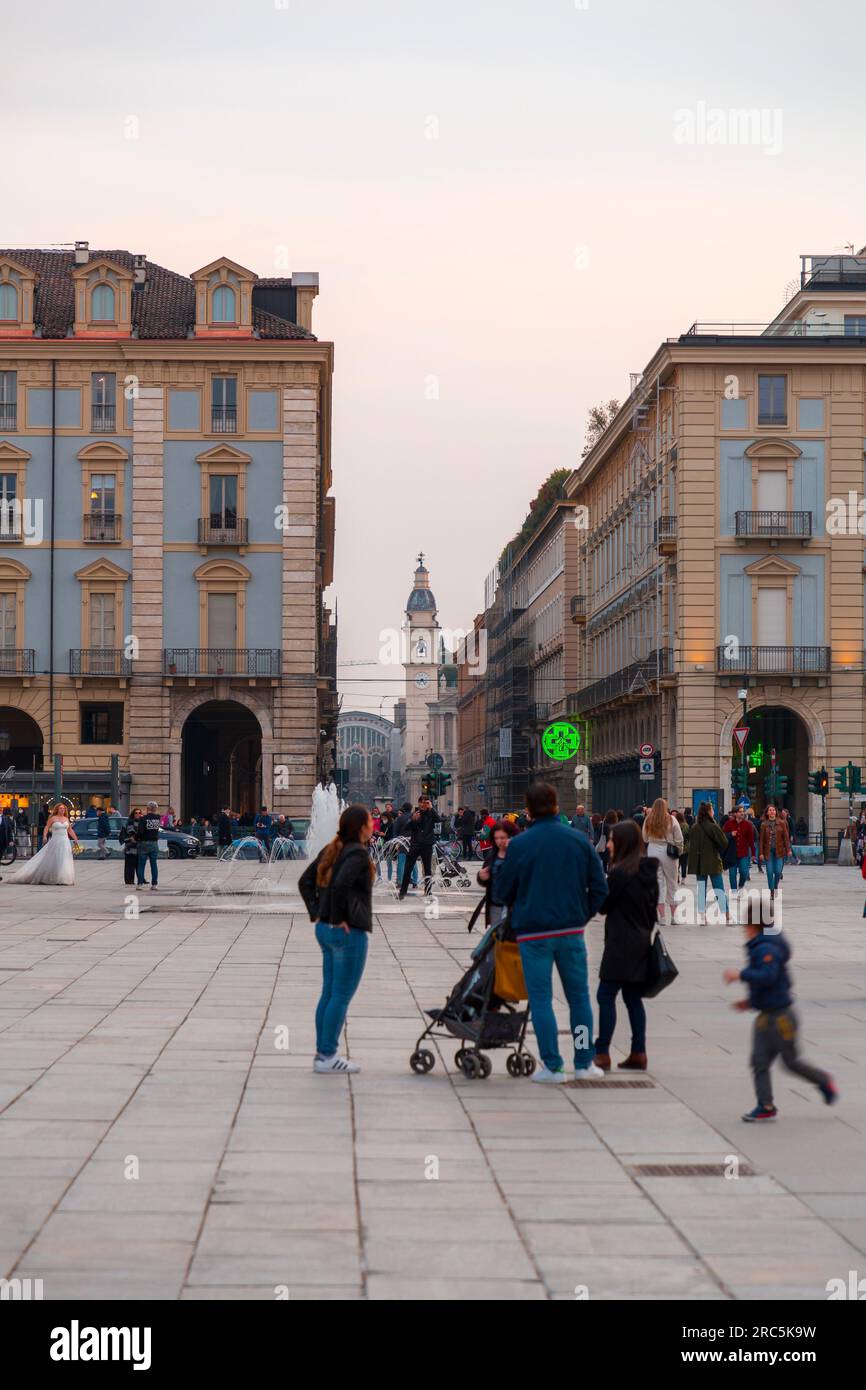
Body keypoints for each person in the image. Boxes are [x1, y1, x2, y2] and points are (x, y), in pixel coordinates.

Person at [495, 781, 608, 1083]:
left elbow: (502, 889)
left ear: (528, 811)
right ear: (557, 807)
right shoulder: (577, 840)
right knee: (579, 999)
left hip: (533, 934)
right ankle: (584, 1062)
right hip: (571, 931)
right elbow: (600, 888)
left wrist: (521, 907)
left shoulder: (519, 845)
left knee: (541, 1000)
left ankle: (553, 1065)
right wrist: (582, 915)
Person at [723, 897, 837, 1122]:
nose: (743, 930)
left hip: (780, 1017)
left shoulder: (766, 947)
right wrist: (750, 1002)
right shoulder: (764, 944)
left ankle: (823, 1080)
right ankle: (765, 1105)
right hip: (768, 1014)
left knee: (790, 1061)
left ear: (753, 925)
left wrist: (740, 975)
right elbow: (769, 982)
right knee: (759, 1061)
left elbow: (769, 976)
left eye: (745, 925)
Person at [298, 804, 375, 1075]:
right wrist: (339, 916)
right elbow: (341, 884)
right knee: (340, 995)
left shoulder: (333, 848)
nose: (373, 823)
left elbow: (304, 882)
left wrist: (318, 914)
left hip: (325, 930)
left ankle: (323, 1054)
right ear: (362, 826)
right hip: (347, 932)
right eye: (370, 820)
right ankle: (328, 1055)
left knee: (330, 993)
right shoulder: (356, 853)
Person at [594, 819, 659, 1072]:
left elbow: (604, 906)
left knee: (605, 995)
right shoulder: (647, 872)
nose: (608, 844)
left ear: (622, 843)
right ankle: (638, 1052)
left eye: (611, 839)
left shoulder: (620, 873)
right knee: (633, 998)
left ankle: (601, 1052)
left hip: (620, 943)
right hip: (641, 941)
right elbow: (653, 911)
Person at [6, 802, 78, 885]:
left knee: (64, 859)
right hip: (55, 841)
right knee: (54, 858)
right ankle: (50, 876)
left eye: (63, 808)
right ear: (57, 809)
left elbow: (70, 830)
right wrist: (44, 836)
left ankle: (63, 878)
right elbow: (46, 827)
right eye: (60, 808)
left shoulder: (66, 819)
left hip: (65, 841)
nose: (62, 810)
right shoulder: (53, 818)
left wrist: (75, 839)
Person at [642, 797, 683, 926]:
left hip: (653, 849)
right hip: (668, 851)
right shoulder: (672, 819)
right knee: (672, 883)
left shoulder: (649, 819)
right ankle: (673, 917)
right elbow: (679, 838)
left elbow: (644, 837)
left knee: (658, 884)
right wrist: (679, 851)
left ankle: (662, 917)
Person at [687, 801, 729, 924]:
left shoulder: (694, 827)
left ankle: (702, 917)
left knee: (701, 890)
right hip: (712, 862)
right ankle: (727, 914)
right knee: (719, 889)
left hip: (699, 863)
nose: (714, 812)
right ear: (709, 812)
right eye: (712, 810)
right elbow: (724, 842)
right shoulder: (713, 826)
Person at [477, 819, 518, 926]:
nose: (499, 841)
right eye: (496, 838)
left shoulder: (519, 854)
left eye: (502, 838)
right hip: (495, 904)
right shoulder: (492, 854)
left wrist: (513, 850)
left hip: (514, 906)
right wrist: (481, 877)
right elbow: (487, 879)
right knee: (497, 936)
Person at [398, 796, 436, 899]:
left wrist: (431, 808)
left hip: (427, 845)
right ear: (418, 803)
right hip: (415, 844)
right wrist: (413, 820)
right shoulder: (415, 814)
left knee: (427, 869)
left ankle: (428, 891)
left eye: (426, 802)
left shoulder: (431, 813)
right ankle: (402, 892)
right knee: (408, 868)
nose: (423, 804)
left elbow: (439, 820)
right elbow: (406, 827)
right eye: (422, 802)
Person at [721, 806, 757, 899]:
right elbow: (722, 836)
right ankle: (734, 892)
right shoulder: (728, 824)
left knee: (744, 872)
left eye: (743, 811)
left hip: (744, 854)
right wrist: (730, 834)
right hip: (732, 854)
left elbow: (751, 840)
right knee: (732, 874)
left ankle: (740, 886)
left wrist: (753, 853)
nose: (742, 813)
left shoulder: (748, 824)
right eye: (740, 812)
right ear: (735, 813)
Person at [759, 805, 790, 897]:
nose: (772, 812)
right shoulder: (764, 824)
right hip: (768, 851)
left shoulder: (782, 823)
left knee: (777, 871)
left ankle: (775, 885)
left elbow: (786, 838)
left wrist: (788, 849)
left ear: (776, 812)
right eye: (770, 810)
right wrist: (760, 853)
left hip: (779, 851)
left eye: (773, 810)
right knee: (769, 871)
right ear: (767, 813)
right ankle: (771, 890)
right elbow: (761, 840)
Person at [136, 801, 162, 890]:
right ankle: (154, 884)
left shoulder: (143, 819)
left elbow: (140, 832)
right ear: (155, 808)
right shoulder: (158, 818)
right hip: (154, 843)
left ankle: (140, 884)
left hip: (144, 843)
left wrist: (136, 838)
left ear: (147, 808)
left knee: (141, 864)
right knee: (153, 864)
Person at [120, 807, 141, 885]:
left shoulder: (141, 822)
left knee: (139, 864)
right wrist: (131, 839)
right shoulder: (129, 822)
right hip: (130, 847)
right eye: (136, 813)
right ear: (133, 814)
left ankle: (141, 879)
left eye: (139, 813)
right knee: (130, 865)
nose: (138, 814)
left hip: (139, 847)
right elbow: (128, 833)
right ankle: (129, 880)